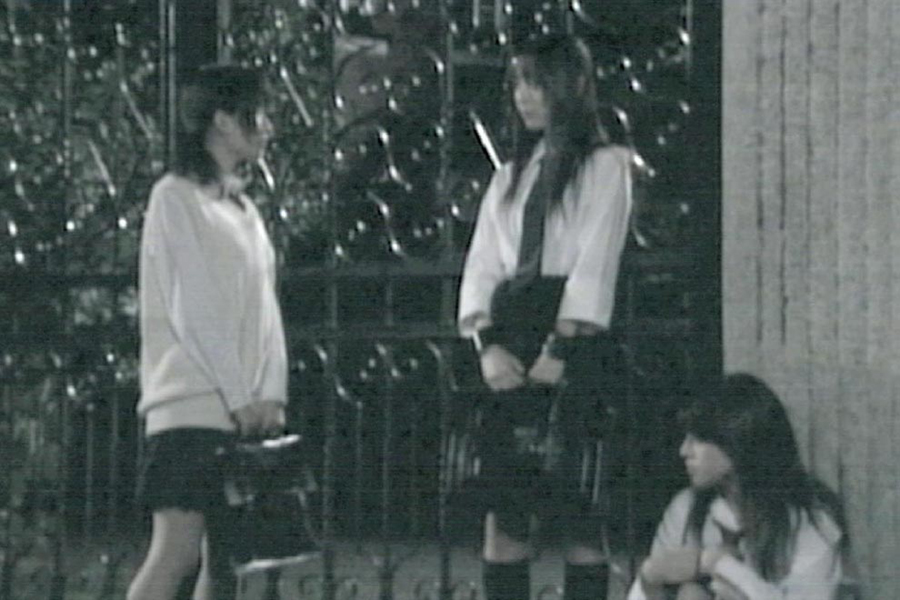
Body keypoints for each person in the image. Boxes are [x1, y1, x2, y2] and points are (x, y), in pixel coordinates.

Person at [457, 35, 633, 600]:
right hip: (510, 335)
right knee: (505, 518)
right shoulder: (510, 175)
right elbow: (483, 265)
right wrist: (487, 345)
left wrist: (561, 349)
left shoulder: (606, 167)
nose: (524, 96)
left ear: (572, 85)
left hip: (574, 341)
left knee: (580, 512)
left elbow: (595, 263)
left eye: (537, 83)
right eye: (518, 84)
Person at [127, 65, 287, 600]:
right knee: (177, 551)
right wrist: (239, 396)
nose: (268, 127)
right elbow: (193, 307)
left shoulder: (244, 209)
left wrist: (270, 395)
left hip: (246, 412)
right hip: (191, 406)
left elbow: (265, 311)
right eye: (257, 114)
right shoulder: (174, 197)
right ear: (221, 120)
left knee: (228, 564)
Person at [628, 373, 847, 600]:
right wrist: (649, 578)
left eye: (699, 439)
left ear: (737, 441)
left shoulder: (810, 521)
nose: (684, 451)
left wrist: (718, 565)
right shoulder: (686, 507)